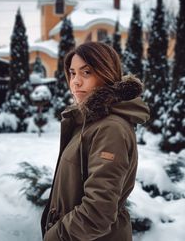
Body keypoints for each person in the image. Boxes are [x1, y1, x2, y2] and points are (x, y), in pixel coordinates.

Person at [41, 42, 150, 241]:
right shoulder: (88, 123)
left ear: (106, 73)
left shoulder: (110, 128)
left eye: (86, 72)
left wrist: (55, 236)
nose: (75, 82)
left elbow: (98, 212)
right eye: (73, 73)